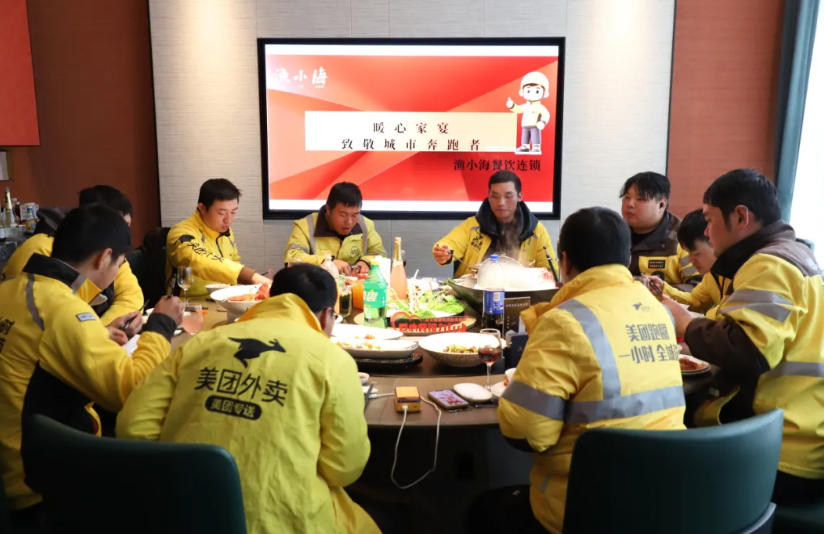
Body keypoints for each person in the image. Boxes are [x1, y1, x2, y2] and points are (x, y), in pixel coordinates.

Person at [117, 264, 379, 533]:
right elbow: (344, 467)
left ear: (269, 299)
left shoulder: (201, 343)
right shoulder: (334, 361)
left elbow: (133, 427)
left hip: (181, 513)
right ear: (325, 316)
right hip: (282, 522)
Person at [495, 207, 685, 533]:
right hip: (663, 500)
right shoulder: (658, 311)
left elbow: (526, 431)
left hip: (589, 507)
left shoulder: (565, 321)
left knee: (484, 511)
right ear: (626, 257)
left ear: (565, 262)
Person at [0, 205, 183, 520]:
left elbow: (40, 346)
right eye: (120, 263)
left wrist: (98, 333)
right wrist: (161, 325)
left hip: (12, 462)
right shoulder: (63, 311)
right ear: (104, 257)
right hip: (43, 484)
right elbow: (132, 392)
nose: (117, 271)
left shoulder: (13, 289)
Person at [662, 169, 824, 505]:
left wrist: (685, 323)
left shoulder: (769, 264)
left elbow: (748, 350)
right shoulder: (795, 255)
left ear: (740, 217)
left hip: (779, 452)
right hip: (802, 435)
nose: (707, 232)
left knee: (660, 467)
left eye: (709, 220)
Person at [2, 185, 144, 333]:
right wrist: (95, 334)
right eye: (121, 226)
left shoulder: (111, 253)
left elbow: (131, 296)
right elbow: (24, 316)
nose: (125, 235)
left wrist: (100, 331)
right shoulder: (39, 248)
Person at [433, 171, 558, 278]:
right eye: (495, 196)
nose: (501, 202)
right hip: (473, 293)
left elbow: (551, 270)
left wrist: (544, 275)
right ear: (489, 197)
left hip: (520, 294)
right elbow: (450, 244)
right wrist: (444, 252)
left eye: (508, 196)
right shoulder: (472, 226)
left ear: (519, 196)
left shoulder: (535, 230)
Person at [166, 178, 271, 297]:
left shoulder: (226, 232)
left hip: (223, 301)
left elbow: (234, 264)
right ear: (202, 208)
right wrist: (250, 276)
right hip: (189, 303)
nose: (228, 220)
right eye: (221, 213)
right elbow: (197, 260)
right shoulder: (181, 232)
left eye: (233, 212)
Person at [284, 182, 385, 275]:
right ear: (328, 209)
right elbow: (292, 257)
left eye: (355, 215)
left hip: (356, 285)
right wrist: (326, 263)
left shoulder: (366, 225)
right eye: (342, 215)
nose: (349, 222)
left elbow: (379, 254)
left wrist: (366, 262)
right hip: (318, 285)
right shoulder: (305, 225)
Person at [620, 171, 699, 287]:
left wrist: (659, 289)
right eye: (627, 197)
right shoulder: (614, 234)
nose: (630, 204)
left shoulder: (683, 238)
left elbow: (697, 287)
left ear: (661, 205)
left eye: (640, 199)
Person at [645, 209, 721, 316]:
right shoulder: (712, 275)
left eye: (696, 254)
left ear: (715, 242)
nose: (691, 260)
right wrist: (664, 289)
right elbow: (695, 300)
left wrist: (696, 320)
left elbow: (731, 317)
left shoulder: (740, 272)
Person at [506, 71, 551, 154]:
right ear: (522, 92)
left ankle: (536, 147)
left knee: (535, 136)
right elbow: (518, 109)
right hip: (525, 125)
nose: (532, 94)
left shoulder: (540, 107)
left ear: (544, 93)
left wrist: (542, 122)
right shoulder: (525, 106)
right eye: (528, 91)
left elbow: (546, 114)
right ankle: (525, 147)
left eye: (537, 91)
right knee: (525, 137)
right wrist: (512, 105)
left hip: (535, 125)